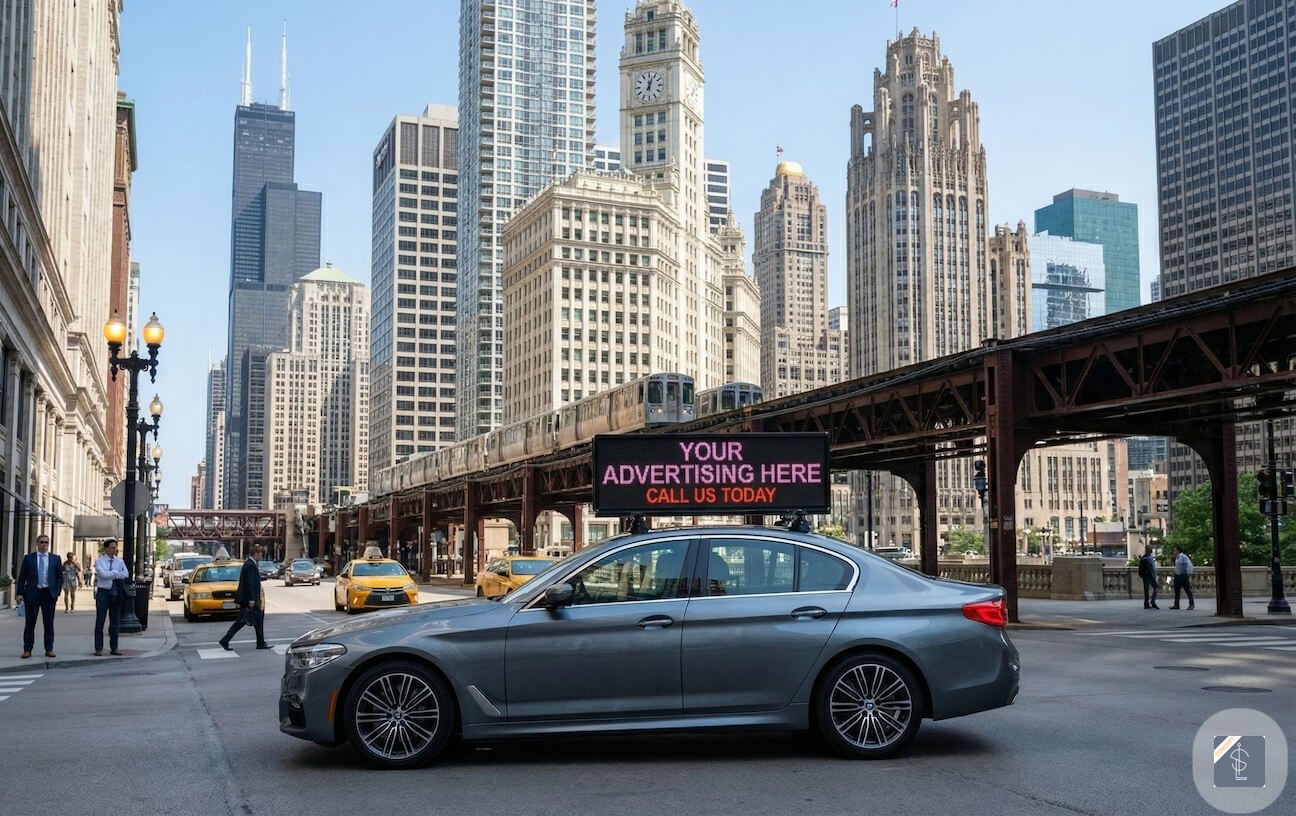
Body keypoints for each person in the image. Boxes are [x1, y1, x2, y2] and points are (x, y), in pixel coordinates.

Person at [16, 534, 63, 658]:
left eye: (46, 542)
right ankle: (27, 649)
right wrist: (19, 593)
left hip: (48, 594)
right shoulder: (29, 558)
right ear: (37, 543)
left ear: (49, 544)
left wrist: (57, 592)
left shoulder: (55, 559)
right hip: (32, 594)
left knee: (48, 623)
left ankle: (49, 649)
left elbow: (59, 577)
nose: (44, 544)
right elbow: (22, 578)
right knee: (30, 623)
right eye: (41, 542)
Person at [219, 545, 270, 651]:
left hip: (251, 599)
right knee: (242, 621)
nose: (261, 556)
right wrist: (251, 600)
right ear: (255, 554)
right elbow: (249, 584)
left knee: (258, 620)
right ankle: (225, 640)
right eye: (260, 554)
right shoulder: (250, 565)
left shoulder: (250, 564)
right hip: (250, 600)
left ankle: (261, 642)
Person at [93, 539, 129, 656]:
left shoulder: (120, 561)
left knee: (115, 622)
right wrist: (115, 573)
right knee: (100, 620)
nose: (115, 550)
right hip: (103, 592)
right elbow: (102, 574)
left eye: (115, 547)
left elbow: (126, 574)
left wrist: (112, 574)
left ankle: (114, 647)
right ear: (107, 548)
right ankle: (99, 648)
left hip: (116, 592)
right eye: (113, 547)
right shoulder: (99, 561)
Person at [1171, 545, 1196, 610]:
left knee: (1187, 590)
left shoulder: (1183, 557)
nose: (1174, 552)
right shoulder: (1177, 557)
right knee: (1177, 591)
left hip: (1183, 576)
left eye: (1175, 550)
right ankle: (1176, 605)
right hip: (1178, 576)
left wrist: (1186, 573)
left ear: (1178, 551)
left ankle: (1191, 604)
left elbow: (1187, 565)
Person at [1137, 545, 1160, 609]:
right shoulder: (1148, 557)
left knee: (1146, 590)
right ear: (1148, 549)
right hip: (1149, 576)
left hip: (1147, 576)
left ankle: (1146, 603)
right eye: (1151, 548)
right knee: (1156, 587)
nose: (1152, 549)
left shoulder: (1145, 557)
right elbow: (1151, 568)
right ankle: (1152, 601)